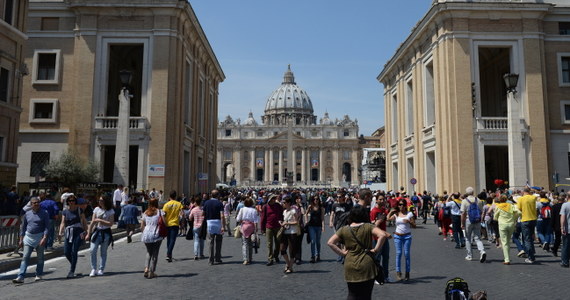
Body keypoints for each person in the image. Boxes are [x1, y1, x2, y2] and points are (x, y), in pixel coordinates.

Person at [328, 206, 389, 300]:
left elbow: (330, 242)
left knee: (352, 294)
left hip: (350, 264)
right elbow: (382, 235)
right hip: (366, 263)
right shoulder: (368, 226)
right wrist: (376, 250)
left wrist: (342, 253)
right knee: (366, 295)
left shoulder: (344, 229)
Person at [12, 197, 50, 284]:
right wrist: (21, 239)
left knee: (40, 258)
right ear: (31, 204)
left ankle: (39, 274)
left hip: (40, 237)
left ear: (39, 203)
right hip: (28, 237)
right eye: (34, 203)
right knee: (25, 257)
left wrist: (44, 237)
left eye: (37, 202)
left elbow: (47, 227)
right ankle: (20, 277)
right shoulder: (27, 214)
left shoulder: (45, 213)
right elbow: (23, 227)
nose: (36, 204)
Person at [58, 195, 88, 278]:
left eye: (73, 200)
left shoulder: (79, 210)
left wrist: (87, 232)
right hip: (68, 232)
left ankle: (72, 270)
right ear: (67, 202)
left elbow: (84, 221)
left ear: (75, 201)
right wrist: (60, 232)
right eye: (70, 201)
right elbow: (63, 222)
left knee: (74, 251)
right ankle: (73, 264)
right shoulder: (65, 211)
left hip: (78, 231)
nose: (71, 202)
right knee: (66, 252)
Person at [387, 198, 416, 281]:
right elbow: (388, 218)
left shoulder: (409, 214)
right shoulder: (396, 214)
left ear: (405, 205)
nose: (401, 206)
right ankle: (398, 273)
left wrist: (409, 222)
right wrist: (391, 211)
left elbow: (414, 226)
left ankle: (407, 273)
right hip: (397, 236)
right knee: (398, 253)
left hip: (407, 236)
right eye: (399, 204)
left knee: (407, 254)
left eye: (402, 204)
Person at [86, 195, 114, 277]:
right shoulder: (96, 209)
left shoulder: (110, 211)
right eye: (99, 200)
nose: (100, 202)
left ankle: (101, 269)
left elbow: (111, 223)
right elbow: (93, 221)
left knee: (103, 252)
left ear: (106, 201)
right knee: (92, 250)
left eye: (101, 200)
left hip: (106, 233)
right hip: (97, 232)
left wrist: (100, 220)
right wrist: (88, 233)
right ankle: (93, 268)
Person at [369, 193, 392, 282]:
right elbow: (374, 226)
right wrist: (386, 233)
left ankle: (386, 276)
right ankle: (377, 277)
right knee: (377, 258)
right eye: (380, 199)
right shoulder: (374, 211)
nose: (382, 201)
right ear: (377, 200)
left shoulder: (383, 210)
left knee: (386, 257)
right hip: (376, 239)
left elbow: (388, 217)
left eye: (384, 199)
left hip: (384, 239)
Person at [461, 187, 486, 263]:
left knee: (468, 238)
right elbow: (481, 212)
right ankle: (482, 251)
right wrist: (481, 220)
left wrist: (462, 223)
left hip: (468, 220)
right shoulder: (478, 200)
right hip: (477, 220)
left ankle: (469, 255)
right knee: (478, 238)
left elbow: (463, 213)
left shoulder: (464, 201)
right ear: (473, 192)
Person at [140, 198, 164, 278]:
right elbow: (164, 222)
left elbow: (142, 225)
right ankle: (152, 272)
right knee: (155, 254)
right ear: (157, 203)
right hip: (156, 234)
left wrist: (144, 232)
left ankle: (146, 268)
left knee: (148, 252)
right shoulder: (160, 212)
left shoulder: (146, 212)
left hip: (146, 234)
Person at [494, 194, 520, 265]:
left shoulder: (498, 206)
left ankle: (507, 259)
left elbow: (495, 217)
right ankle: (507, 257)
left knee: (504, 242)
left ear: (500, 200)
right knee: (508, 241)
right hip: (511, 224)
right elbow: (518, 212)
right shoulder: (511, 205)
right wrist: (514, 219)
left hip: (502, 225)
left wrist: (498, 218)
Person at [203, 189, 225, 265]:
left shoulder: (206, 203)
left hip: (209, 223)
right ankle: (218, 258)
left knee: (210, 242)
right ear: (218, 195)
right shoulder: (219, 203)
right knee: (218, 241)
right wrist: (223, 226)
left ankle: (210, 260)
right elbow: (222, 215)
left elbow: (203, 213)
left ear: (211, 195)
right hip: (218, 223)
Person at [260, 194, 283, 266]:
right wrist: (262, 228)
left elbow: (282, 215)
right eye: (272, 198)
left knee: (278, 243)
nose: (274, 200)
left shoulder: (278, 206)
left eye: (274, 198)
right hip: (269, 227)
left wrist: (282, 222)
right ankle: (270, 258)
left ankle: (276, 255)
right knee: (269, 244)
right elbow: (263, 218)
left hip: (277, 227)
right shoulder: (265, 207)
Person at [517, 187, 538, 263]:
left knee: (527, 239)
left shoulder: (521, 199)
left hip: (525, 219)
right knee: (531, 237)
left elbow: (519, 209)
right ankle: (532, 253)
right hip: (533, 219)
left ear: (523, 192)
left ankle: (531, 257)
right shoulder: (533, 198)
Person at [236, 197, 259, 264]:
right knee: (250, 243)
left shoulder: (242, 209)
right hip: (251, 227)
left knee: (244, 243)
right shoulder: (254, 210)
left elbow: (238, 219)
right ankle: (250, 258)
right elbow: (255, 221)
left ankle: (245, 259)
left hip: (244, 227)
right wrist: (256, 228)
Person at [162, 190, 183, 262]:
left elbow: (163, 215)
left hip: (167, 224)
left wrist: (164, 223)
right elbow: (181, 214)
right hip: (175, 223)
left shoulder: (166, 204)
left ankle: (169, 255)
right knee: (173, 240)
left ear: (169, 196)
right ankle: (168, 254)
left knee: (168, 240)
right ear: (175, 196)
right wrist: (181, 222)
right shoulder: (179, 204)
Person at [280, 196, 299, 274]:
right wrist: (281, 223)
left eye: (284, 202)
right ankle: (288, 264)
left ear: (288, 203)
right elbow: (284, 220)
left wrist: (287, 223)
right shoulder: (284, 211)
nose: (283, 204)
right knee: (282, 249)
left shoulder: (293, 211)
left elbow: (296, 222)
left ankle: (290, 267)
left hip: (292, 233)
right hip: (285, 232)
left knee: (291, 251)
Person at [305, 195, 325, 263]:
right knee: (313, 241)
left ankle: (318, 255)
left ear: (319, 200)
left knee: (318, 242)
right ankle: (313, 256)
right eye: (314, 199)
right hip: (311, 226)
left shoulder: (321, 208)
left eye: (317, 199)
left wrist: (323, 227)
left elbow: (322, 218)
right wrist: (306, 221)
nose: (315, 200)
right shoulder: (310, 206)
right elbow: (306, 213)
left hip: (319, 226)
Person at [560, 195, 570, 267]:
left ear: (567, 197)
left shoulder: (565, 205)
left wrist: (562, 227)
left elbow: (563, 217)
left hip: (568, 228)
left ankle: (565, 261)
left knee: (565, 246)